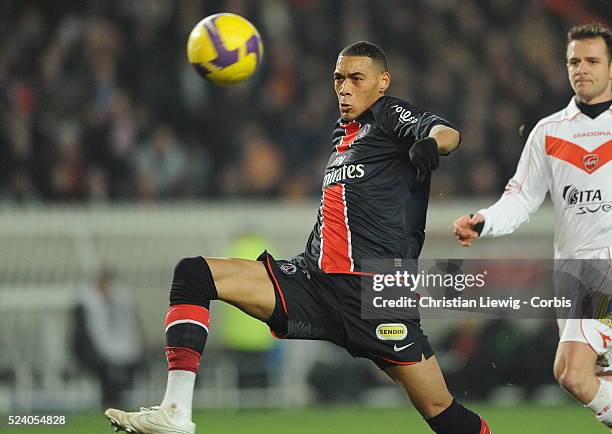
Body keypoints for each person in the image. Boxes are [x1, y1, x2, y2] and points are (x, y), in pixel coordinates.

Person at [105, 41, 490, 434]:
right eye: (339, 78)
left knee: (440, 410)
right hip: (314, 283)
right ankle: (175, 413)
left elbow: (448, 133)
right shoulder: (343, 137)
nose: (345, 87)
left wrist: (431, 143)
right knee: (194, 274)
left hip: (373, 294)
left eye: (357, 78)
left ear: (382, 82)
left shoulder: (388, 115)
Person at [453, 23, 612, 428]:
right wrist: (485, 221)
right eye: (574, 61)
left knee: (571, 372)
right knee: (600, 379)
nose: (582, 69)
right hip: (575, 273)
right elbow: (521, 199)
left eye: (592, 60)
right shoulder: (548, 132)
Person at [72, 269, 143, 408]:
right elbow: (81, 336)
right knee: (108, 371)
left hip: (117, 349)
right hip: (90, 351)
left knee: (126, 369)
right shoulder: (86, 304)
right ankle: (109, 403)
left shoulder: (119, 302)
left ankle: (115, 402)